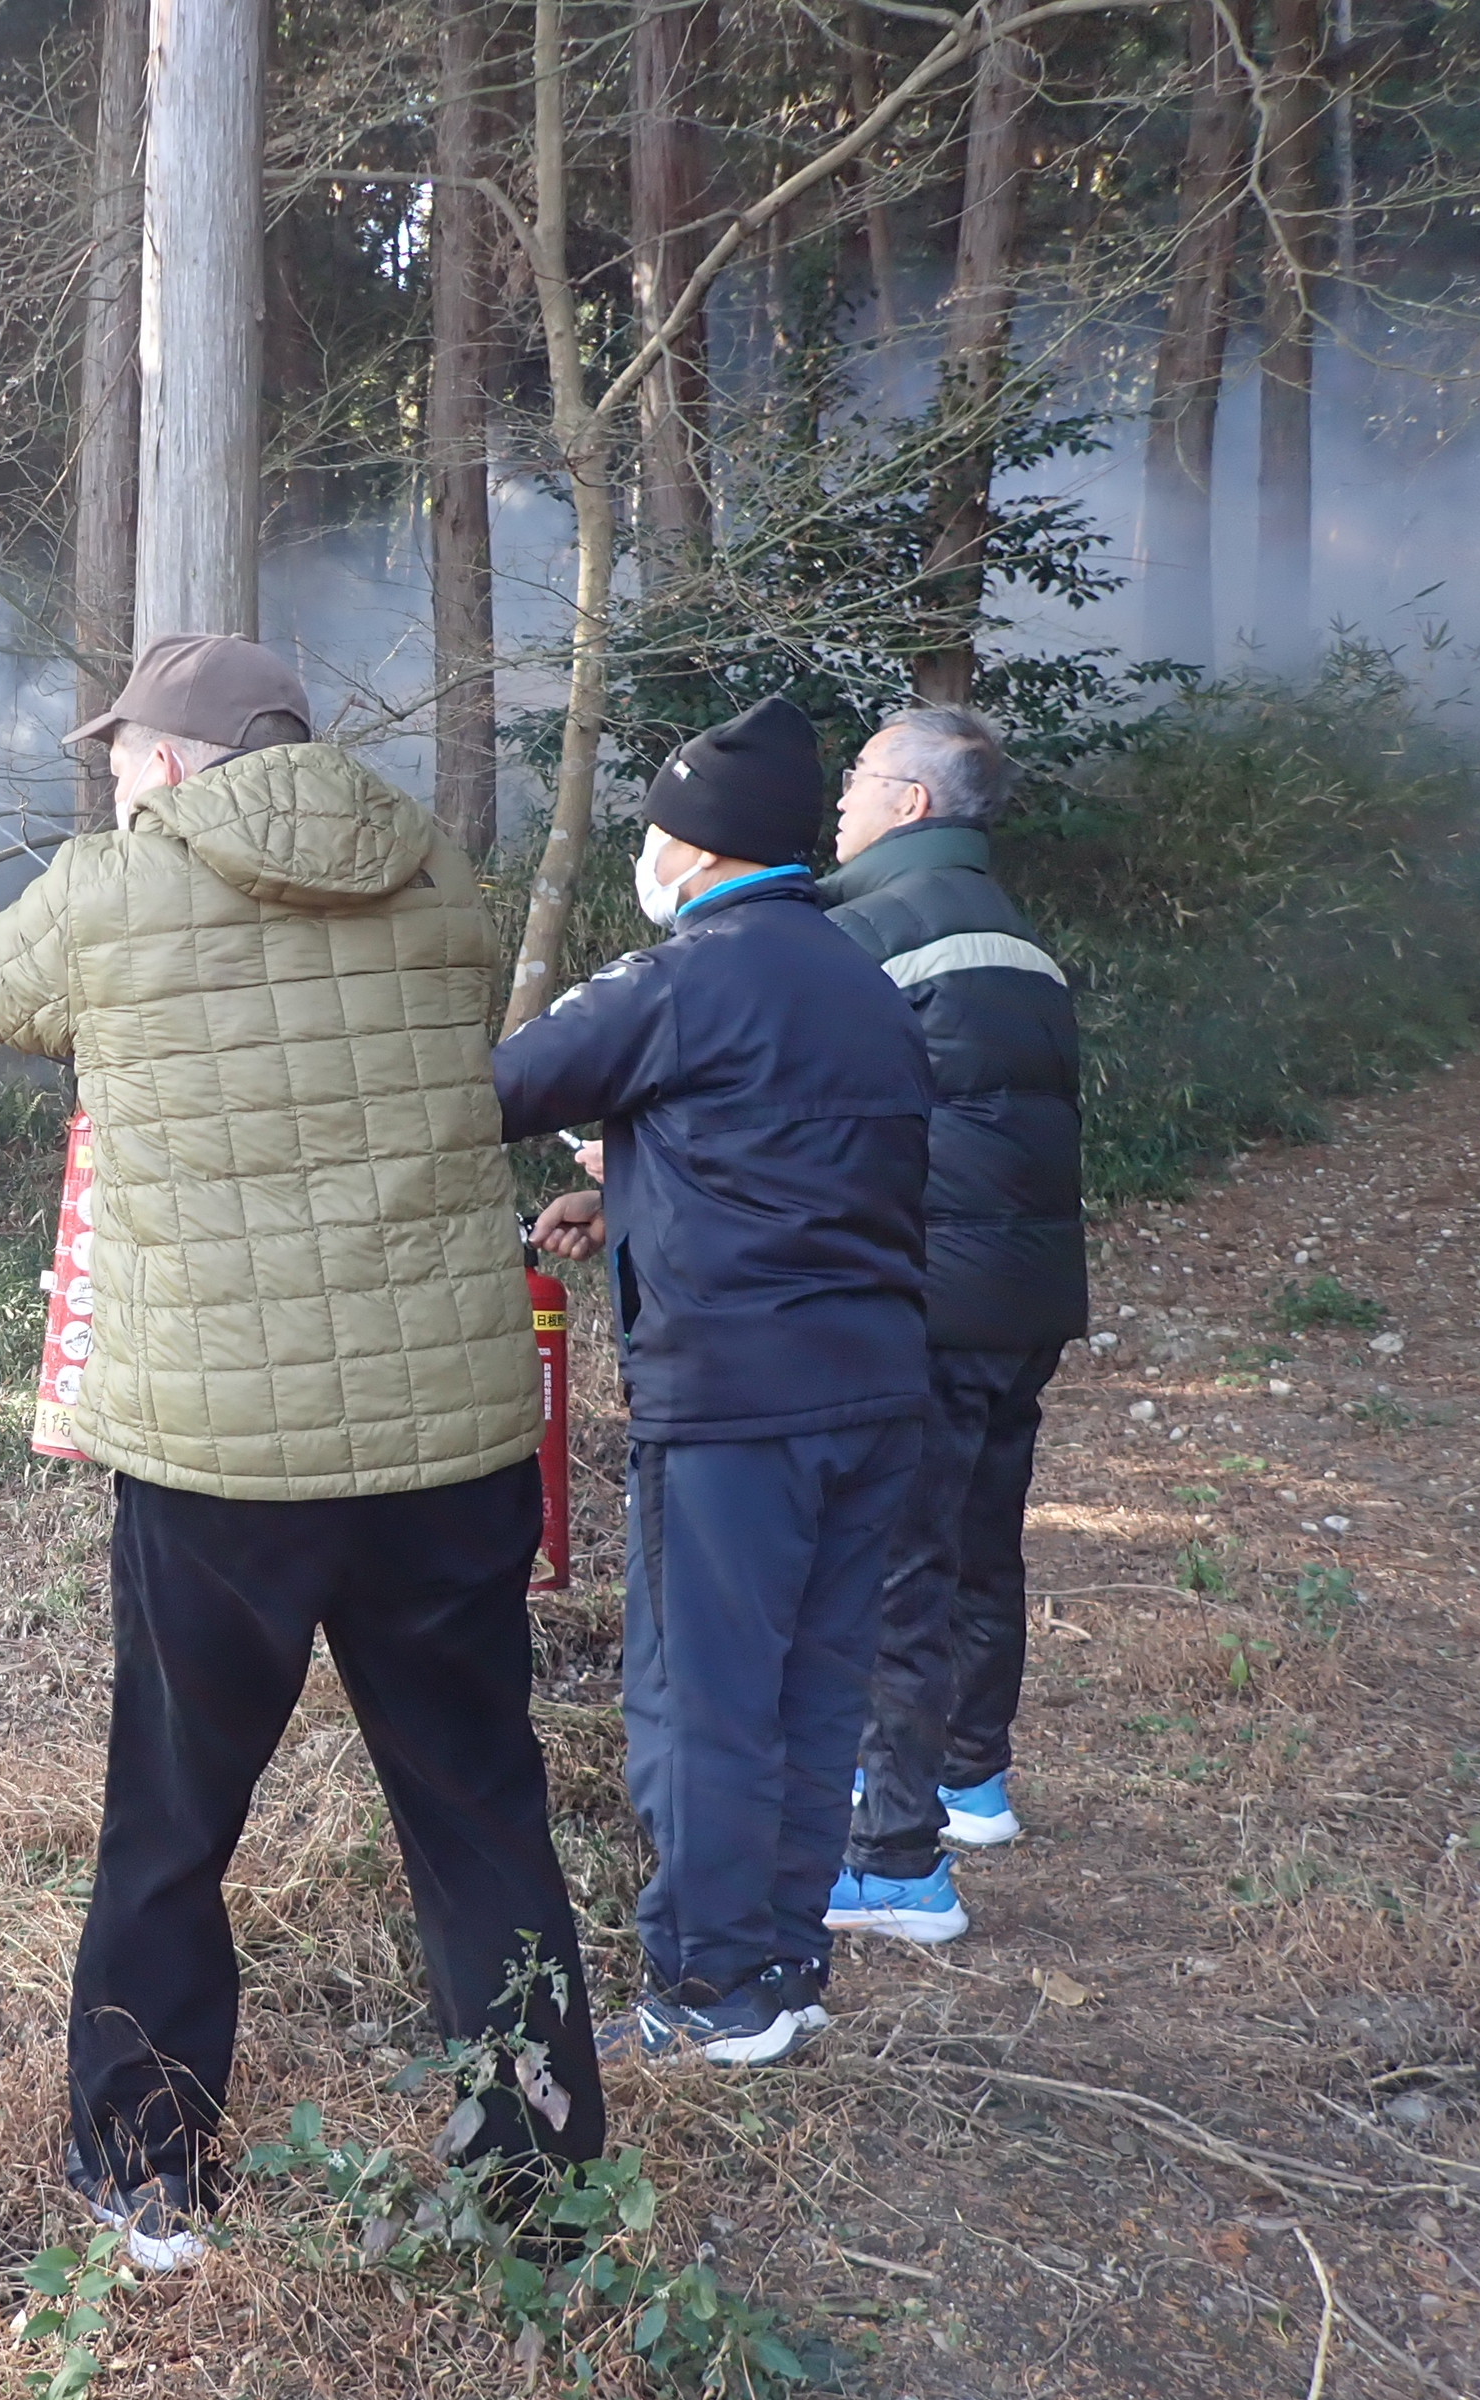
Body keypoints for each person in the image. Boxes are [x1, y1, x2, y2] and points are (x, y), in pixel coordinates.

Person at [0, 632, 604, 2271]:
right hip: (444, 1447)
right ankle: (543, 2191)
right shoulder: (446, 886)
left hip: (224, 1467)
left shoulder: (109, 890)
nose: (120, 772)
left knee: (173, 1821)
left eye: (133, 749)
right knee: (483, 1814)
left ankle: (150, 2182)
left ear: (186, 759)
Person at [493, 694, 933, 2067]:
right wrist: (630, 1184)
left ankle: (702, 1993)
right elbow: (793, 1166)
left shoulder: (682, 978)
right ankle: (784, 1972)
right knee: (814, 1690)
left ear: (690, 846)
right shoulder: (862, 976)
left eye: (658, 831)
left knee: (704, 1701)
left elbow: (493, 1089)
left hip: (738, 1405)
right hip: (873, 1391)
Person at [817, 706, 1087, 1946]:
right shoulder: (1016, 935)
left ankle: (891, 1861)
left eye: (860, 775)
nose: (839, 796)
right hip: (1021, 1295)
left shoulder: (867, 933)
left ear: (912, 804)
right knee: (981, 1543)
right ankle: (974, 1781)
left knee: (900, 1571)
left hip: (924, 1295)